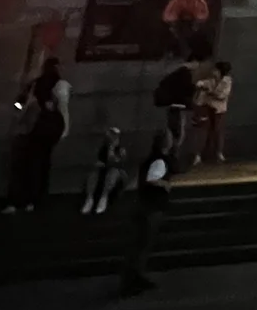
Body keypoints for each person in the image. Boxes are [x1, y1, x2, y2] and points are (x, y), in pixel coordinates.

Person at [7, 59, 70, 211]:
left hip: (30, 128)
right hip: (46, 129)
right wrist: (64, 129)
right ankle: (34, 200)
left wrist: (22, 111)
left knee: (23, 166)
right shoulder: (58, 86)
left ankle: (19, 201)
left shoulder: (34, 85)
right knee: (40, 165)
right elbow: (63, 110)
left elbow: (18, 103)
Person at [119, 136, 172, 295]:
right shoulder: (159, 160)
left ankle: (136, 277)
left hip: (144, 206)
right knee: (142, 244)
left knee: (141, 245)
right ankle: (132, 280)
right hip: (151, 208)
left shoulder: (150, 160)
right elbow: (152, 179)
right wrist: (165, 183)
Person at [192, 60, 235, 166]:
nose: (213, 71)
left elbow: (221, 95)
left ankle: (218, 153)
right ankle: (199, 155)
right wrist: (201, 86)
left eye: (216, 70)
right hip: (207, 108)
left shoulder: (227, 81)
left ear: (221, 72)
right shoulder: (210, 81)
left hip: (219, 110)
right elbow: (200, 84)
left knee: (218, 131)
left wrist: (208, 91)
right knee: (203, 132)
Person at [80, 126, 129, 215]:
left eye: (115, 137)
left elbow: (116, 162)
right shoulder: (103, 149)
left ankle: (104, 198)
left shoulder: (121, 150)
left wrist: (112, 149)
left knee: (113, 173)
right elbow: (98, 161)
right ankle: (89, 199)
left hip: (118, 173)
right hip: (104, 171)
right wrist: (99, 164)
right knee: (93, 174)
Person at [153, 57, 195, 160]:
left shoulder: (173, 74)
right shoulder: (185, 74)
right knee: (179, 132)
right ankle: (172, 152)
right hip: (179, 105)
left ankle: (168, 151)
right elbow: (188, 90)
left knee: (171, 129)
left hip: (170, 105)